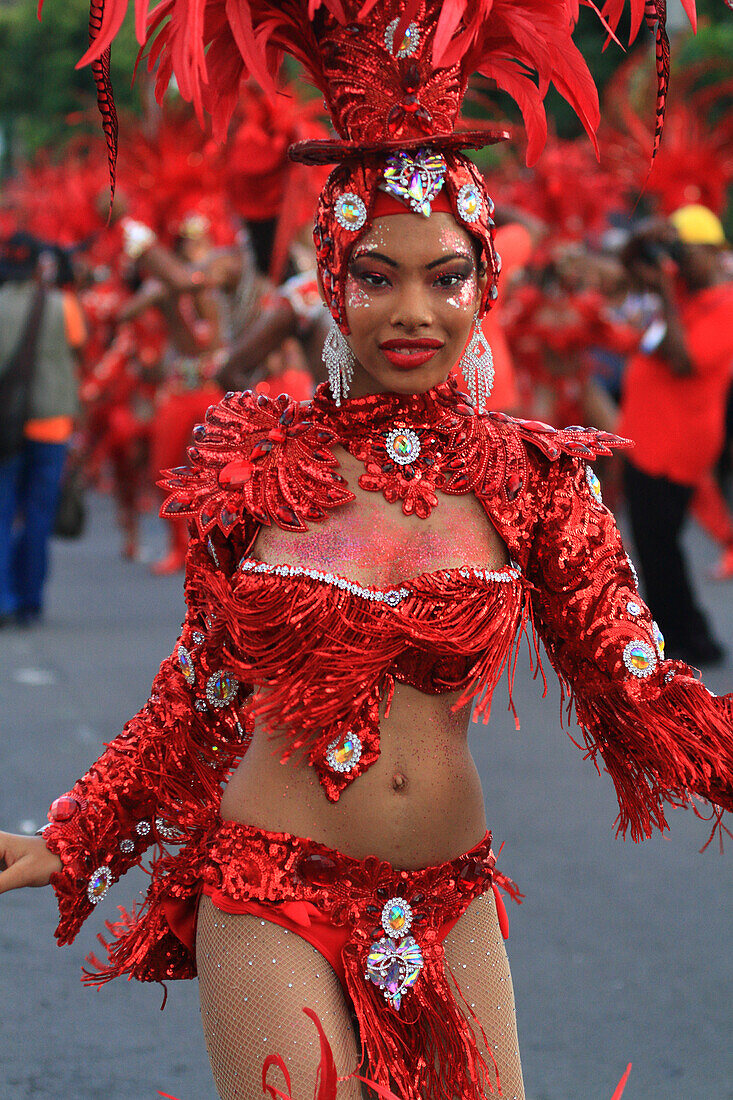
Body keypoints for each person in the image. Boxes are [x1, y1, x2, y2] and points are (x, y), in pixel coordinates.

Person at [0, 3, 726, 1100]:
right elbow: (199, 688)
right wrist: (77, 830)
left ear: (487, 282)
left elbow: (641, 685)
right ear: (330, 284)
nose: (412, 310)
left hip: (451, 887)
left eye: (445, 276)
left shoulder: (532, 480)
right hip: (267, 882)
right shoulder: (259, 463)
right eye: (376, 273)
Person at [618, 204, 733, 665]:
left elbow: (685, 361)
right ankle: (681, 634)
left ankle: (688, 639)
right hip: (648, 441)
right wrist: (642, 239)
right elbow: (628, 266)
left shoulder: (724, 306)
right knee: (654, 546)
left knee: (659, 547)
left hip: (675, 449)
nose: (680, 260)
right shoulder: (684, 292)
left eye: (687, 251)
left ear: (712, 253)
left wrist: (666, 291)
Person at [0, 234, 84, 625]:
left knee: (2, 511)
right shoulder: (60, 304)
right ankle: (30, 600)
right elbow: (79, 344)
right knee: (37, 514)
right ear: (39, 265)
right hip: (51, 422)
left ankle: (3, 597)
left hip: (4, 427)